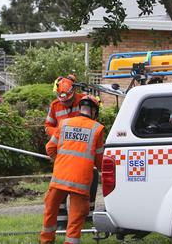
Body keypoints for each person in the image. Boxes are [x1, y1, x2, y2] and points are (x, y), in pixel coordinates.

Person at [40, 95, 105, 244]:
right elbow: (100, 160)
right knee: (76, 218)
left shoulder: (64, 123)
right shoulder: (97, 129)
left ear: (80, 108)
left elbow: (50, 148)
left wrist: (60, 161)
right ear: (94, 111)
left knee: (50, 211)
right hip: (80, 181)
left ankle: (46, 241)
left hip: (59, 177)